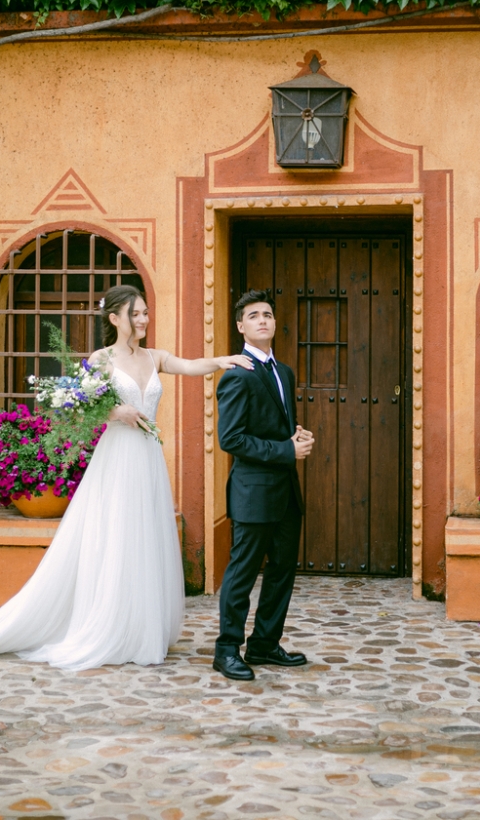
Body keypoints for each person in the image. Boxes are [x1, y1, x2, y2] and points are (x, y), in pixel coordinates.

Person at [0, 284, 253, 670]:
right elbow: (74, 409)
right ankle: (109, 627)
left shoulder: (154, 357)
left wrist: (226, 359)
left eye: (146, 312)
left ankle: (140, 627)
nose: (144, 319)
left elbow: (191, 365)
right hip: (117, 458)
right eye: (136, 313)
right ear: (115, 319)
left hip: (147, 458)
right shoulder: (101, 359)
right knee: (115, 537)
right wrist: (116, 413)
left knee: (143, 538)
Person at [213, 289, 315, 681]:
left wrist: (297, 438)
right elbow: (231, 439)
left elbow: (277, 428)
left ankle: (264, 644)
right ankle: (226, 650)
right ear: (241, 326)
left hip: (286, 491)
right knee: (242, 572)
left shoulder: (283, 371)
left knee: (282, 571)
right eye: (253, 315)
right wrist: (285, 450)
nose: (262, 320)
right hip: (253, 492)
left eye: (268, 314)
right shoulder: (237, 376)